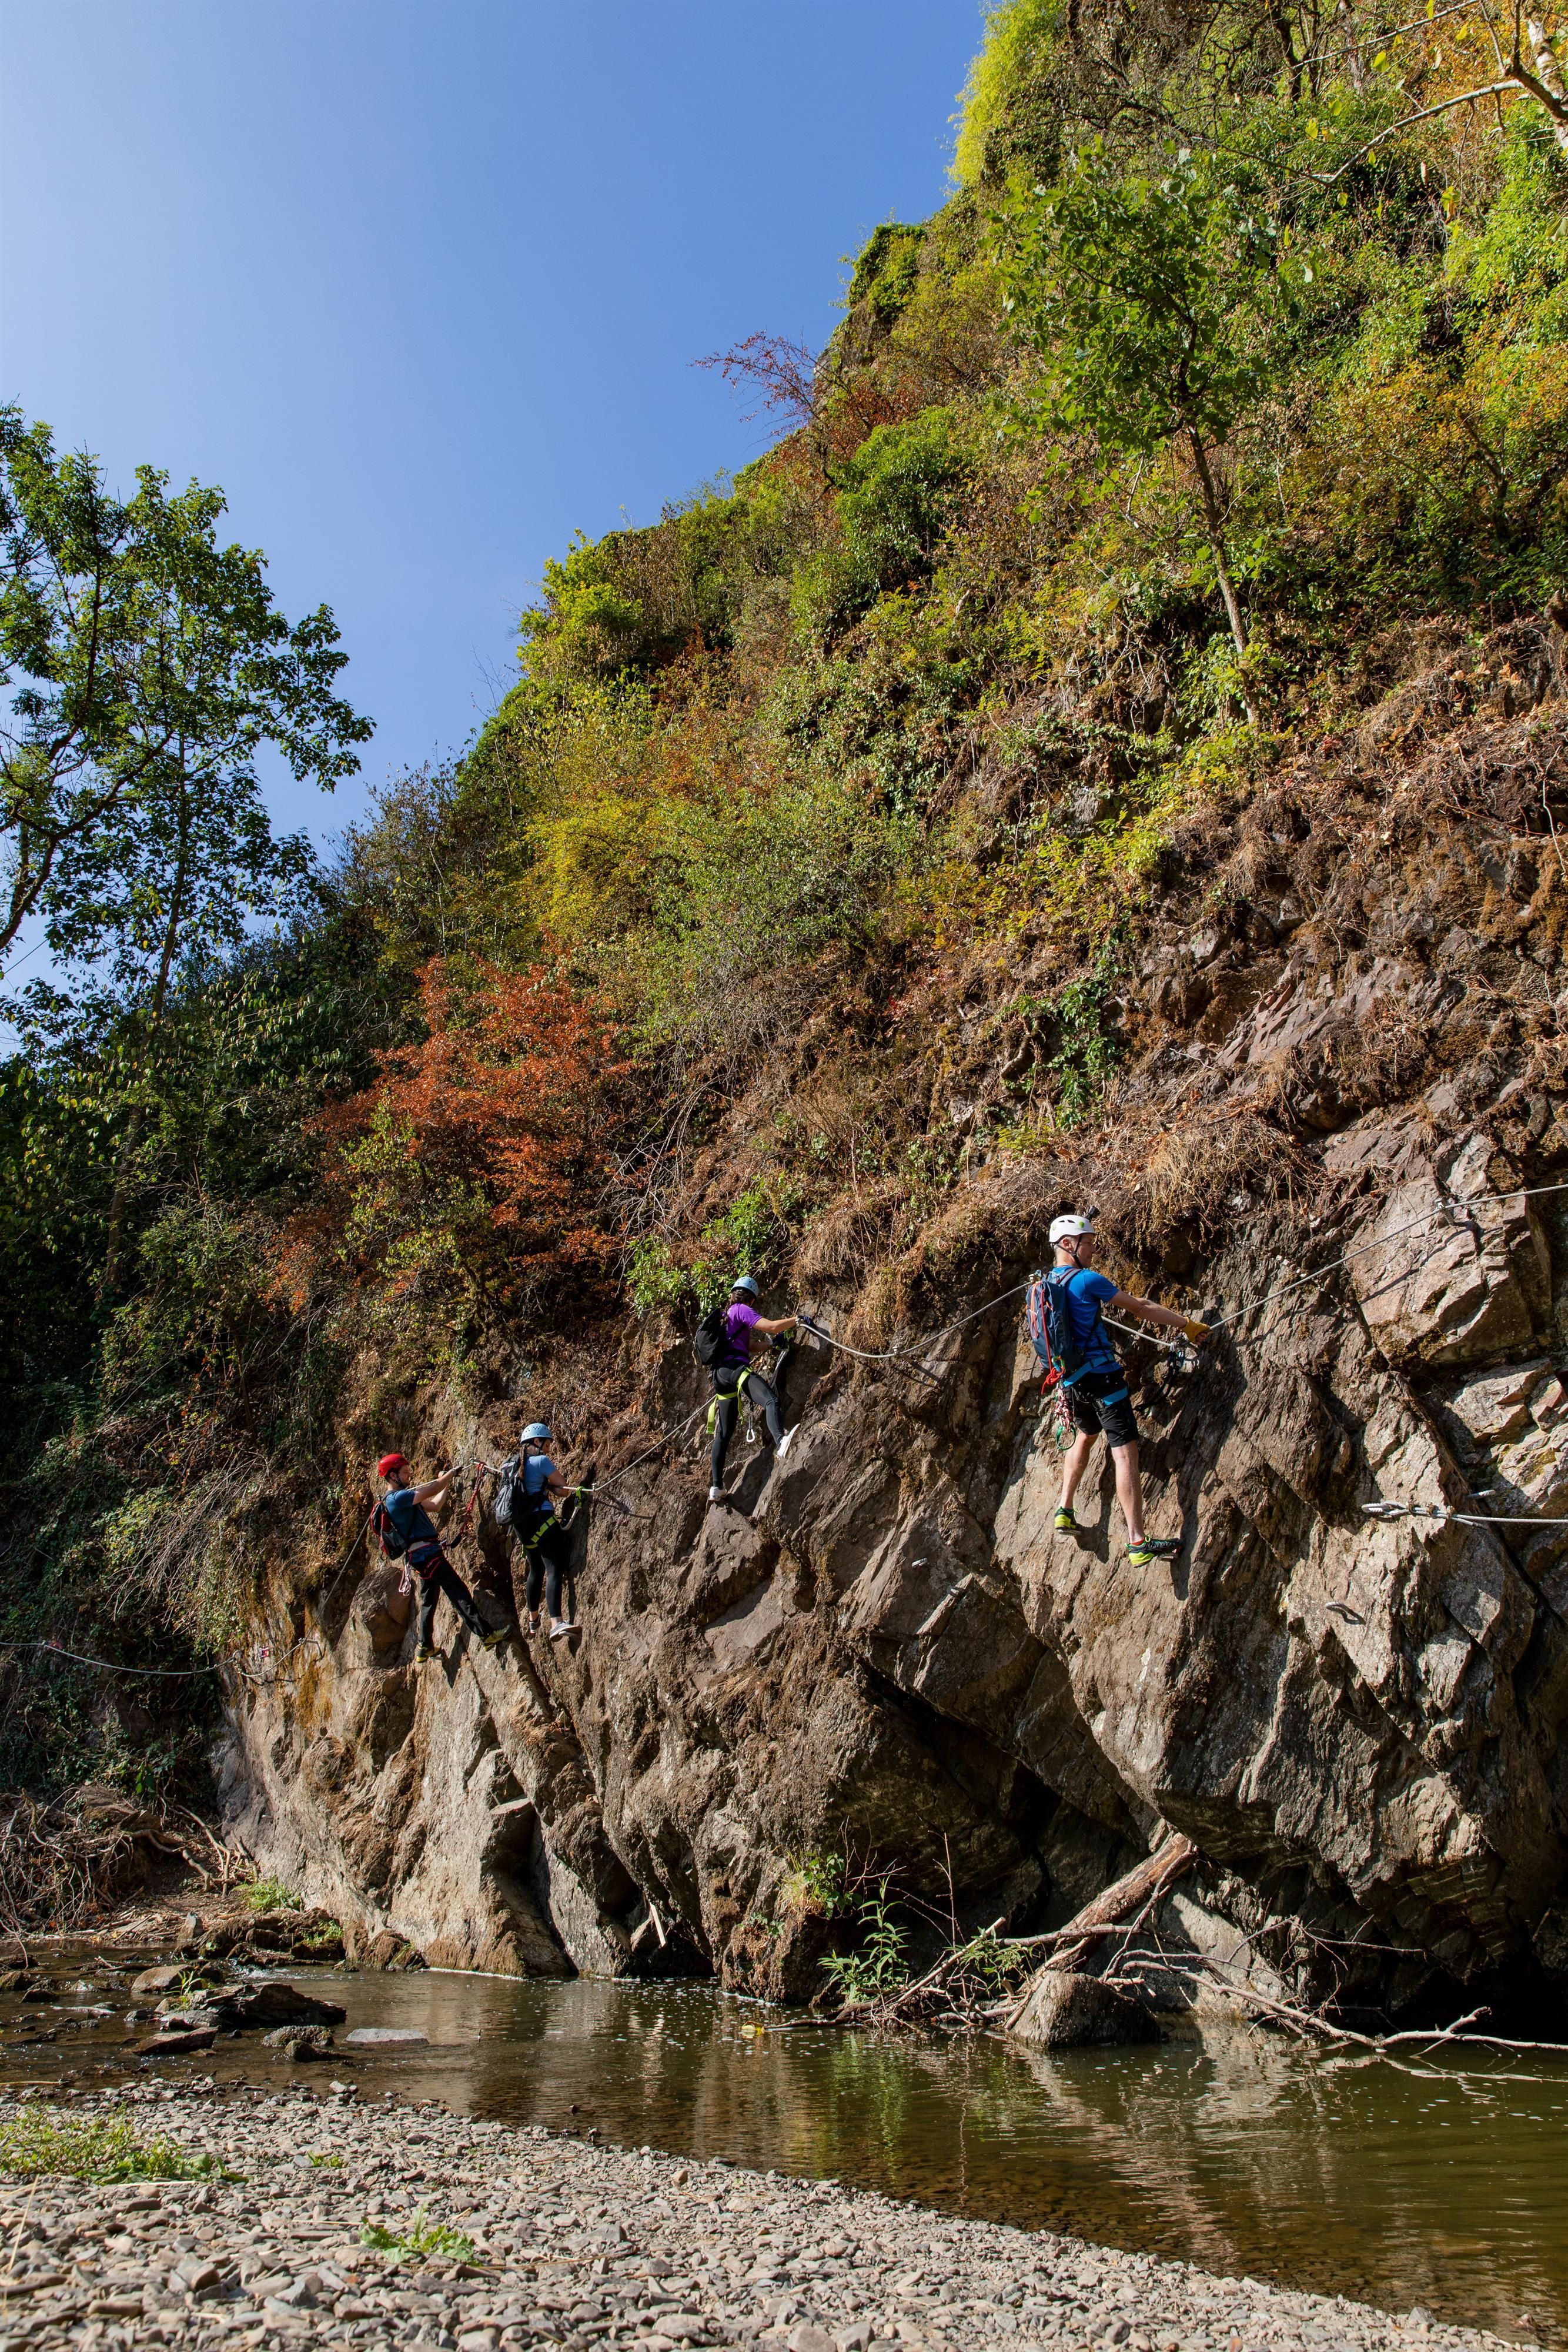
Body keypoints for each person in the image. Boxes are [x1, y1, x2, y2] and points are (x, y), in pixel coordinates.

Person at [1043, 1215, 1209, 1570]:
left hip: (1072, 1383)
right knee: (1124, 1455)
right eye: (1089, 1243)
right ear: (1069, 1244)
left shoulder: (1046, 1284)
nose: (1094, 1250)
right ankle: (1138, 1541)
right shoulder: (1086, 1280)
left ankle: (1064, 1509)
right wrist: (1187, 1325)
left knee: (1085, 1436)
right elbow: (1141, 1307)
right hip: (1103, 1381)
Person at [375, 1452, 507, 1666]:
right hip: (427, 1555)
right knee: (458, 1591)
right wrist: (449, 1475)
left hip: (421, 1557)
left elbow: (436, 1505)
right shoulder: (397, 1499)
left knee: (429, 1600)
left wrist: (445, 1483)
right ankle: (486, 1634)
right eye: (405, 1472)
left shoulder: (403, 1499)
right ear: (393, 1476)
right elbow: (433, 1488)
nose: (410, 1475)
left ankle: (424, 1646)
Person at [708, 1275, 798, 1503]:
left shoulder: (726, 1315)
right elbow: (772, 1326)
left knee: (724, 1433)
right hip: (735, 1370)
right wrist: (797, 1320)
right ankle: (781, 1442)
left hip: (720, 1376)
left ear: (733, 1293)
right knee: (770, 1400)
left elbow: (748, 1346)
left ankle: (717, 1487)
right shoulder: (742, 1309)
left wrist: (771, 1345)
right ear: (752, 1299)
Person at [506, 1422, 576, 1642]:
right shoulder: (541, 1461)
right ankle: (556, 1623)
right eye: (546, 1444)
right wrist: (550, 1486)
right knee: (554, 1568)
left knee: (536, 1569)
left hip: (522, 1527)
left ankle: (533, 1619)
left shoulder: (510, 1466)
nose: (547, 1449)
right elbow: (564, 1489)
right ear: (537, 1441)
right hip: (543, 1521)